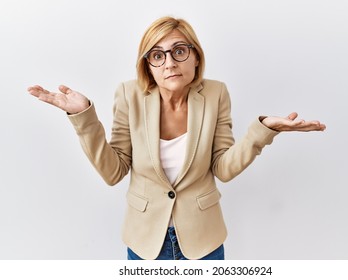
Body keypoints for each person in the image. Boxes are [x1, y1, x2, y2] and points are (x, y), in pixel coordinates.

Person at [28, 16, 326, 260]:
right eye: (157, 55)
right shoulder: (129, 95)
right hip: (146, 242)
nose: (169, 63)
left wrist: (263, 131)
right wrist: (84, 119)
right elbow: (113, 172)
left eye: (179, 51)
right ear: (148, 66)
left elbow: (223, 167)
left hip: (203, 241)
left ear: (196, 57)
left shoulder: (215, 93)